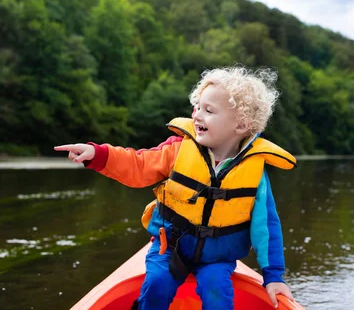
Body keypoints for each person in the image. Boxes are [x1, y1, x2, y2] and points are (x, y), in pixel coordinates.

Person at [55, 66, 296, 310]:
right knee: (158, 283)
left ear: (242, 125)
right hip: (169, 246)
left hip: (217, 258)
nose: (197, 116)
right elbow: (138, 165)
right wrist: (97, 154)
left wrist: (273, 276)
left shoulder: (255, 174)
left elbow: (266, 228)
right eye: (197, 108)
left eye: (209, 111)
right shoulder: (178, 150)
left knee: (218, 293)